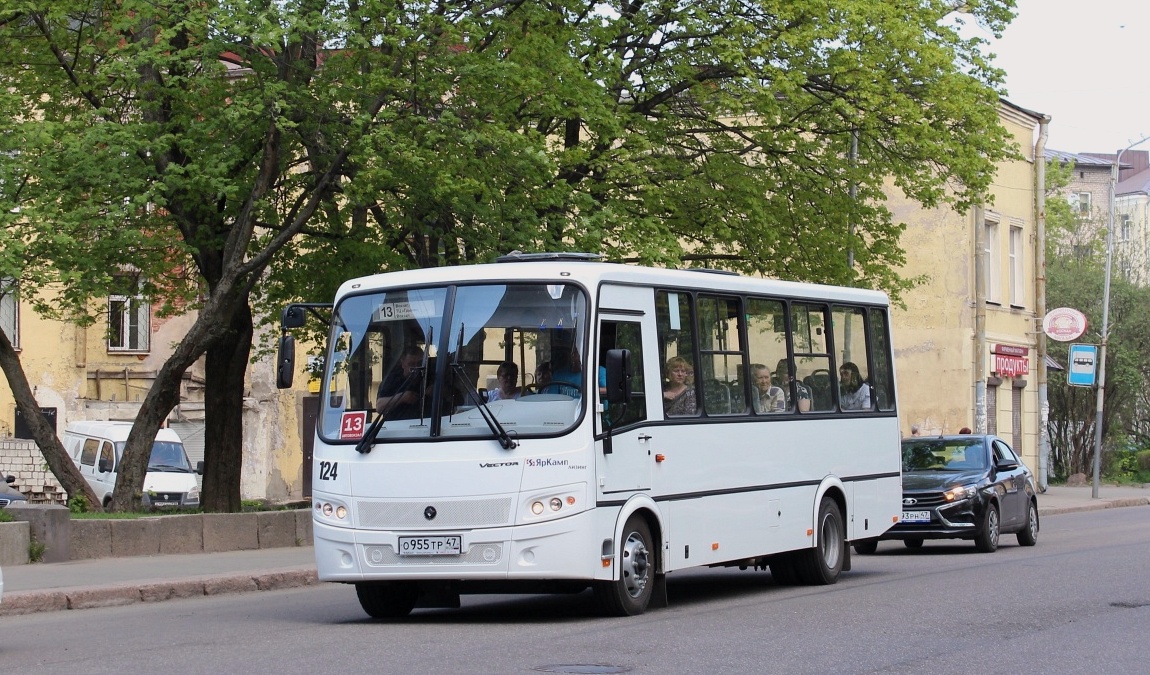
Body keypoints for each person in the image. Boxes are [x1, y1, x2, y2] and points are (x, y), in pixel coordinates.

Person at [376, 344, 427, 419]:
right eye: (411, 364)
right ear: (403, 363)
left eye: (419, 364)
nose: (416, 368)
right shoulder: (392, 380)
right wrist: (402, 397)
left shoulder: (429, 378)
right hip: (397, 426)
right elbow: (379, 407)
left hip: (426, 424)